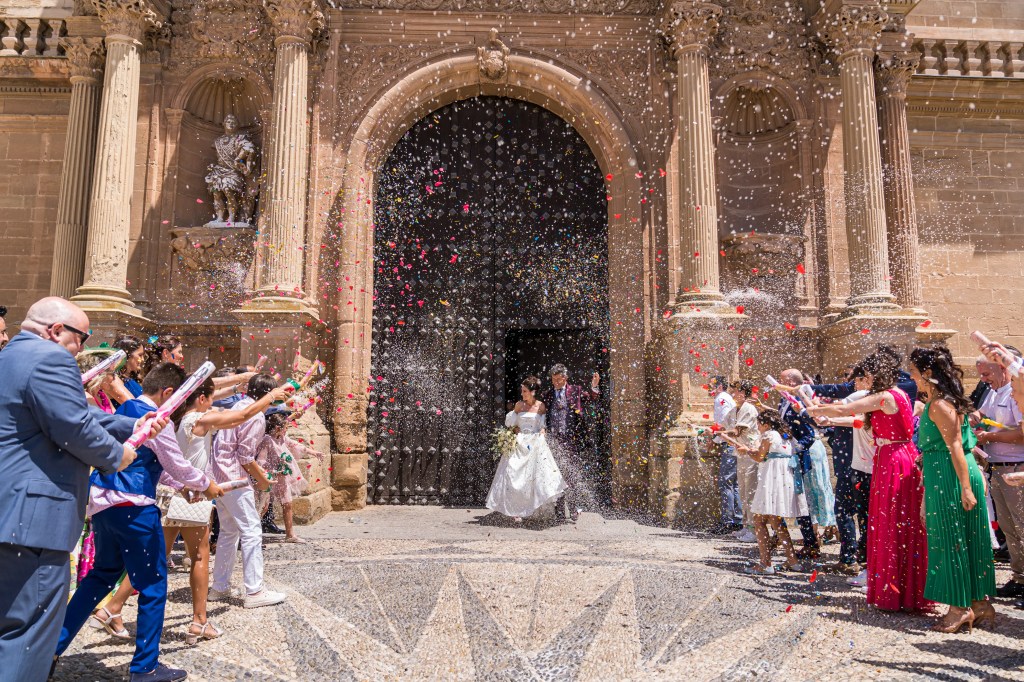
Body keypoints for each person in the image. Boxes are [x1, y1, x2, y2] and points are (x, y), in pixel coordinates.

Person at [0, 297, 155, 682]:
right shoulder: (52, 359)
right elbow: (72, 428)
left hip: (10, 512)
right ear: (55, 331)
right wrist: (120, 455)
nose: (82, 348)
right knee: (29, 631)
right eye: (81, 338)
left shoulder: (10, 357)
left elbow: (74, 414)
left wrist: (132, 423)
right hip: (33, 520)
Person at [56, 363, 224, 682]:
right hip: (135, 506)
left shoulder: (125, 409)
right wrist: (205, 484)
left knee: (102, 575)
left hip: (104, 505)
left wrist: (188, 485)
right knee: (153, 583)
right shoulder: (153, 420)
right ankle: (145, 666)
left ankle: (52, 647)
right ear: (169, 395)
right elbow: (176, 463)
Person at [92, 376, 291, 644]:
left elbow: (227, 407)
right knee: (199, 558)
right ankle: (199, 622)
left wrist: (236, 387)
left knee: (155, 557)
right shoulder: (197, 420)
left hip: (168, 492)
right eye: (210, 399)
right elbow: (242, 414)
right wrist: (271, 397)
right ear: (200, 400)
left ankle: (112, 608)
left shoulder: (176, 417)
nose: (214, 404)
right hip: (189, 494)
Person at [806, 349, 930, 612]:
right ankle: (900, 586)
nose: (863, 381)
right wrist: (825, 415)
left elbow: (849, 406)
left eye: (866, 376)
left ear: (874, 374)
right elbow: (857, 419)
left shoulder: (885, 395)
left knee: (891, 521)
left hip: (894, 459)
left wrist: (816, 407)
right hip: (892, 456)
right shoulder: (896, 395)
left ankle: (899, 588)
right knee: (892, 521)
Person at [909, 346, 996, 633]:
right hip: (949, 472)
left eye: (914, 371)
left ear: (928, 373)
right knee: (968, 536)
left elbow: (955, 445)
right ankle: (979, 605)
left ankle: (959, 610)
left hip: (949, 474)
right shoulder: (942, 401)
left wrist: (965, 488)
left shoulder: (938, 405)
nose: (912, 376)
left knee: (950, 538)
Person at [209, 373, 285, 609]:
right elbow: (244, 456)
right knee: (252, 530)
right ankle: (254, 591)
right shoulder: (255, 417)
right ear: (268, 396)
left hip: (218, 477)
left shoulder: (238, 406)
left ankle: (219, 587)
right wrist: (263, 480)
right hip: (234, 479)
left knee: (229, 532)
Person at [971, 350, 1024, 601]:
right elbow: (982, 414)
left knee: (1022, 526)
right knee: (1009, 528)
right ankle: (1019, 578)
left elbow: (1021, 434)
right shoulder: (994, 392)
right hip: (999, 468)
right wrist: (972, 417)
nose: (983, 379)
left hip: (1016, 469)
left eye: (986, 373)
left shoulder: (1016, 394)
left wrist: (989, 436)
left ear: (1003, 368)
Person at [816, 365, 874, 579]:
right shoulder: (861, 398)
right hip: (851, 464)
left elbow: (851, 418)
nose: (851, 385)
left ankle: (856, 558)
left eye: (853, 380)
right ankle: (853, 556)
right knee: (849, 511)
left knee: (852, 511)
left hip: (856, 465)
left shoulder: (863, 398)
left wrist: (819, 410)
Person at [486, 376, 566, 522]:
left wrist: (542, 432)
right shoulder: (519, 405)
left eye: (525, 391)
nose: (522, 394)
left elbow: (543, 426)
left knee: (535, 477)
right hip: (520, 442)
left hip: (535, 443)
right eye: (522, 391)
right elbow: (511, 423)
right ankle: (515, 510)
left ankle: (532, 508)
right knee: (512, 473)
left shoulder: (541, 406)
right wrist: (515, 429)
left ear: (533, 392)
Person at [738, 408, 808, 574]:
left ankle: (765, 563)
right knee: (776, 521)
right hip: (784, 479)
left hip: (772, 480)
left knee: (759, 520)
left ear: (766, 424)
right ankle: (793, 561)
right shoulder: (786, 435)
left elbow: (759, 457)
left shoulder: (769, 435)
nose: (758, 427)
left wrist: (747, 450)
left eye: (759, 423)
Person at [539, 364, 600, 523]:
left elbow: (592, 398)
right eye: (553, 380)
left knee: (570, 476)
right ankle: (559, 511)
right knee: (555, 476)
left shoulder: (576, 391)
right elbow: (541, 414)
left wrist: (594, 386)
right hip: (553, 442)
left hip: (571, 441)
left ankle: (573, 508)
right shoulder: (547, 394)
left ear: (565, 378)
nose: (556, 383)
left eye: (559, 380)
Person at [256, 409, 326, 541]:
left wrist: (314, 453)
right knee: (263, 507)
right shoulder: (267, 440)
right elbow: (261, 461)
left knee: (287, 503)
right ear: (278, 428)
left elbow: (297, 445)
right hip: (269, 478)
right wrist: (272, 472)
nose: (286, 430)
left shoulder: (282, 438)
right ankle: (252, 534)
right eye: (285, 428)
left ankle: (290, 535)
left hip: (283, 478)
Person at [775, 368, 820, 561]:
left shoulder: (800, 403)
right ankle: (780, 537)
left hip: (797, 459)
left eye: (782, 379)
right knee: (785, 498)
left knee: (801, 502)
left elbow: (810, 435)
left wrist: (795, 448)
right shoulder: (783, 401)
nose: (778, 382)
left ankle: (811, 543)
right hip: (785, 457)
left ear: (792, 383)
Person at [724, 380, 759, 543]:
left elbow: (737, 430)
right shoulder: (734, 409)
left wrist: (721, 433)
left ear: (745, 393)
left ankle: (754, 529)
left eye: (737, 391)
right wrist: (715, 433)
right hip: (740, 454)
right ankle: (746, 525)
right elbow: (726, 426)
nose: (733, 393)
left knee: (751, 492)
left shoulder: (749, 409)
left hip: (751, 454)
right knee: (744, 492)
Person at [710, 376, 741, 534]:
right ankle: (738, 519)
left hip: (728, 443)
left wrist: (714, 438)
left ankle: (728, 521)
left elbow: (721, 424)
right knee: (734, 484)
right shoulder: (727, 398)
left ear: (720, 386)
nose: (709, 389)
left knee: (725, 482)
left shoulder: (721, 398)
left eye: (712, 385)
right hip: (733, 444)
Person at [107, 334, 146, 404]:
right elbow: (134, 406)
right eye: (140, 355)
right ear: (127, 355)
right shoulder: (113, 380)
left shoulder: (131, 378)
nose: (143, 359)